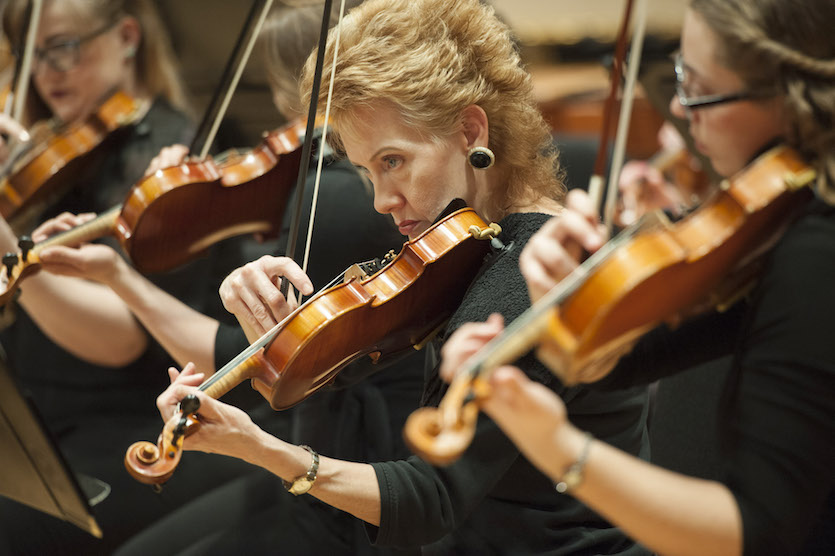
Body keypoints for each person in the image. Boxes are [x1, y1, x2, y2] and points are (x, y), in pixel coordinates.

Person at [140, 1, 652, 553]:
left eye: (394, 161)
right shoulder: (467, 242)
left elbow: (430, 499)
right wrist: (276, 325)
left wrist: (260, 447)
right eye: (366, 170)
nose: (383, 201)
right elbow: (333, 371)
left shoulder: (530, 273)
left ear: (470, 129)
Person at [439, 0, 835, 554]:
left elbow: (754, 529)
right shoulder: (780, 214)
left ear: (792, 97)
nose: (677, 107)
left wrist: (558, 447)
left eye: (695, 86)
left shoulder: (816, 251)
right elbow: (637, 360)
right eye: (677, 75)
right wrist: (563, 306)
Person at [33, 2, 427, 554]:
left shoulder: (336, 198)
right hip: (310, 436)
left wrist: (125, 276)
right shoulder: (323, 189)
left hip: (344, 458)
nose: (275, 126)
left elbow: (252, 359)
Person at [0, 1, 263, 554]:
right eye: (31, 53)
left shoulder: (173, 163)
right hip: (41, 417)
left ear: (126, 36)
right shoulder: (48, 152)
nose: (48, 70)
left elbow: (119, 342)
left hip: (131, 425)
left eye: (64, 46)